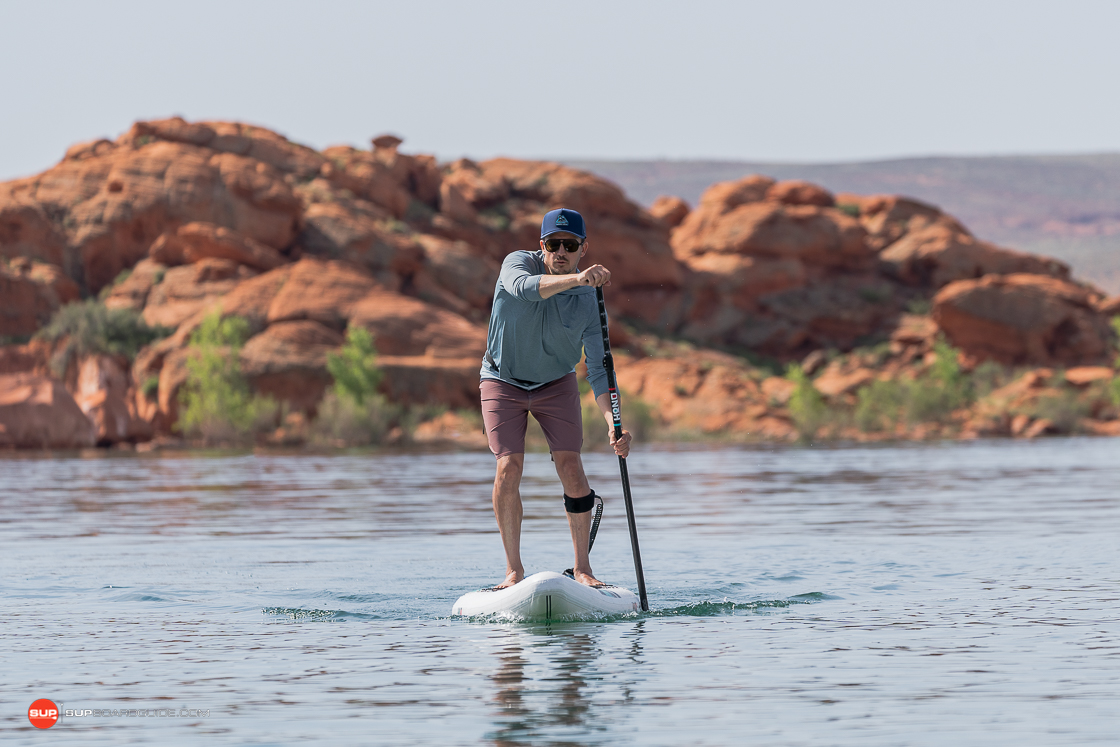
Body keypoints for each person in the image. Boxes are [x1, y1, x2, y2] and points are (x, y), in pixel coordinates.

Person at [480, 207, 633, 589]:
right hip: (503, 379)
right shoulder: (517, 264)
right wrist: (577, 279)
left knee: (571, 467)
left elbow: (599, 368)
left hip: (556, 383)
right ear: (541, 245)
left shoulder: (589, 299)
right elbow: (525, 290)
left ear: (583, 247)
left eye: (570, 245)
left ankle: (583, 569)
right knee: (508, 466)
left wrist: (614, 425)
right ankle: (513, 571)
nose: (561, 251)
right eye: (553, 244)